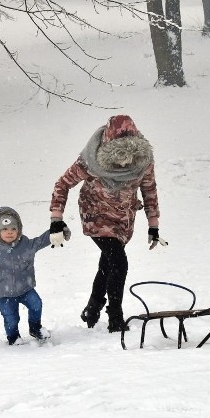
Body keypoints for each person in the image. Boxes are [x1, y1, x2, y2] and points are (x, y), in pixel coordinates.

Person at [49, 115, 165, 333]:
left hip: (123, 219)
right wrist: (57, 219)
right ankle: (115, 316)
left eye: (129, 158)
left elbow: (149, 190)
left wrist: (153, 224)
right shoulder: (90, 162)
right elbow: (63, 184)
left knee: (108, 265)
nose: (124, 164)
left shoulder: (143, 161)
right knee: (119, 262)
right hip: (95, 214)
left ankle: (92, 308)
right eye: (118, 159)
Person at [0, 206, 61, 345]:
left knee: (36, 304)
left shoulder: (26, 244)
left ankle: (35, 328)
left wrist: (57, 231)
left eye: (13, 229)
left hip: (25, 288)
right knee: (11, 318)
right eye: (5, 229)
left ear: (19, 230)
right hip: (3, 293)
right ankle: (13, 337)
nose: (9, 233)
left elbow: (41, 241)